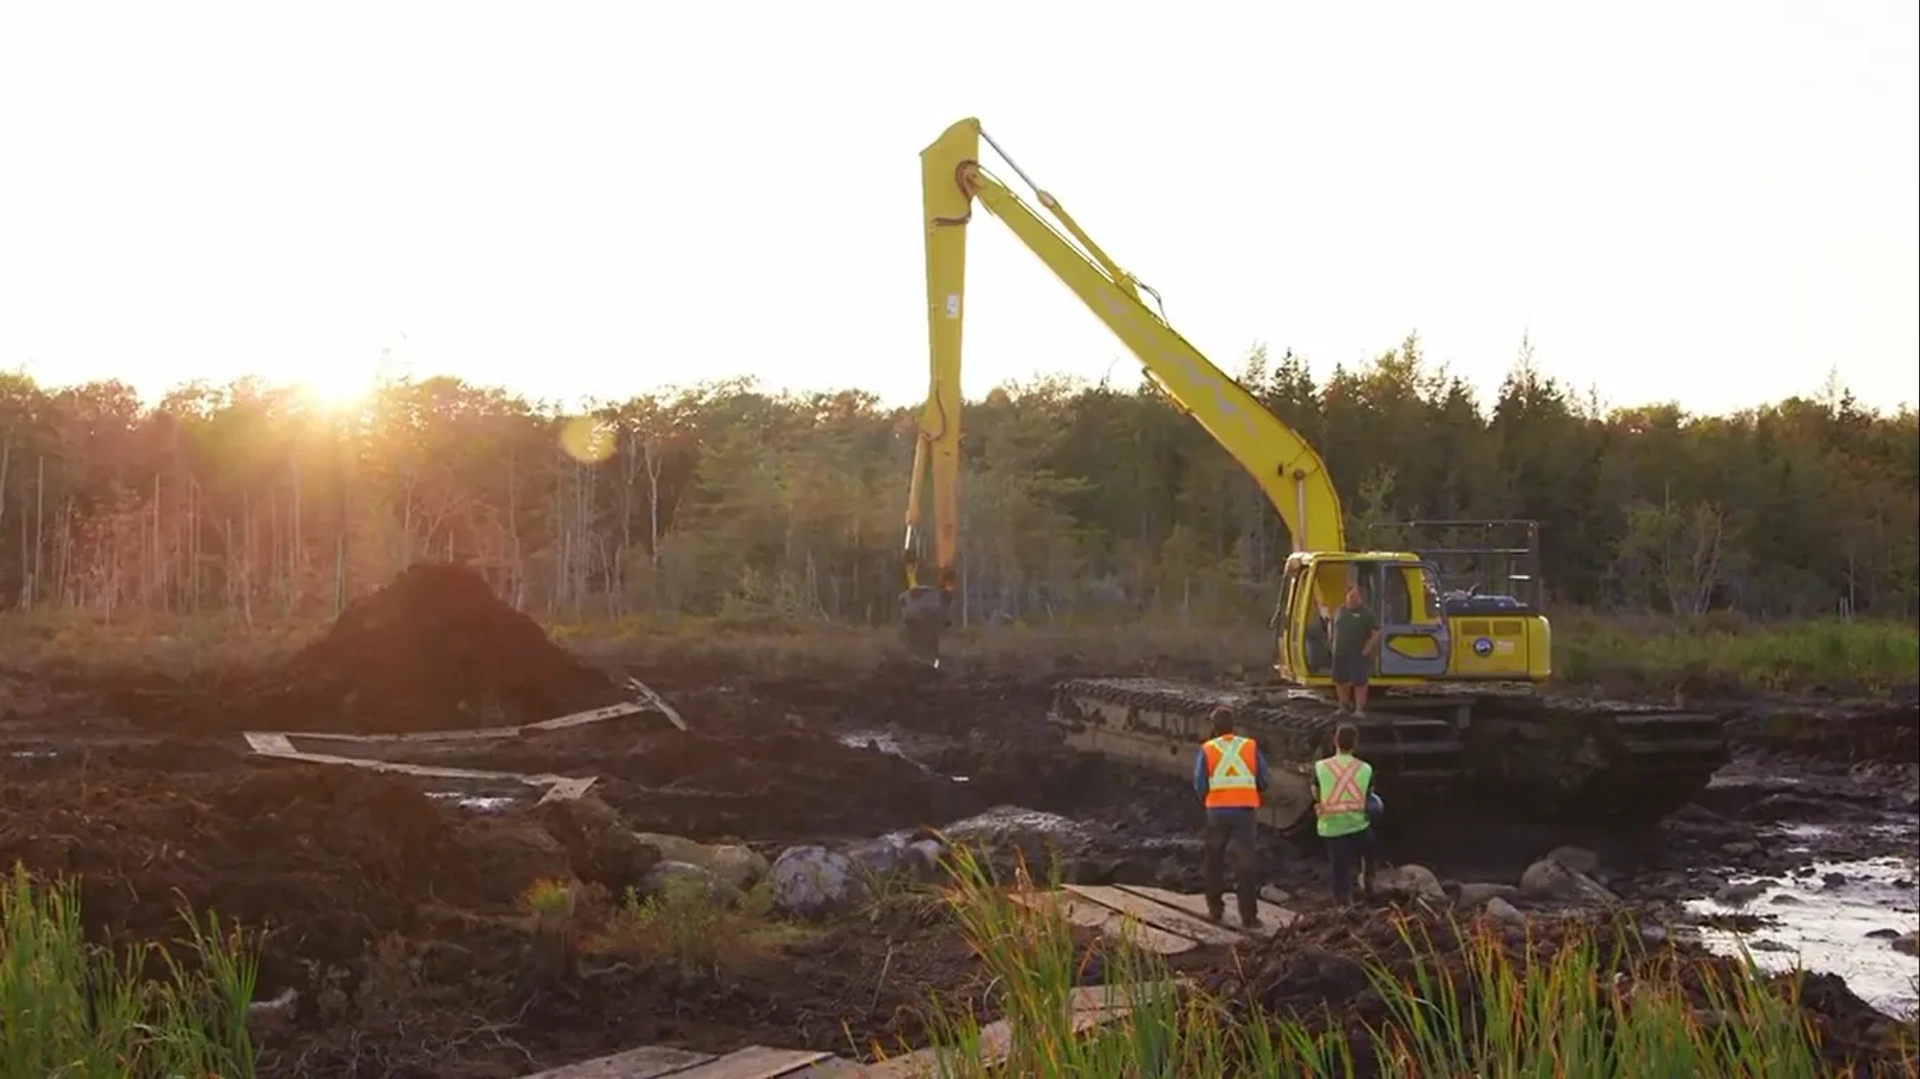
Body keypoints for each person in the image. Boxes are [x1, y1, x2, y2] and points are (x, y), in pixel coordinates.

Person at [1192, 706, 1269, 927]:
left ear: (1214, 728)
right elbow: (1263, 778)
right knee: (1245, 862)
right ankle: (1249, 915)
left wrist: (1209, 801)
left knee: (1214, 860)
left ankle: (1215, 909)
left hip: (1217, 812)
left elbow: (1199, 784)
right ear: (1233, 725)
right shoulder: (1249, 746)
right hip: (1244, 811)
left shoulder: (1207, 749)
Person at [1313, 722, 1377, 905]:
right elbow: (1369, 794)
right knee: (1369, 850)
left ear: (1335, 741)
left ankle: (1342, 904)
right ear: (1355, 743)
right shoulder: (1365, 768)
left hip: (1332, 826)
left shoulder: (1320, 767)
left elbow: (1315, 793)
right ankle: (1368, 883)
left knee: (1338, 868)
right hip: (1358, 824)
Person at [1331, 585, 1381, 716]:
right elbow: (1333, 626)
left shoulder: (1367, 614)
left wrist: (1368, 648)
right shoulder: (1340, 611)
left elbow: (1376, 633)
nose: (1353, 599)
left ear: (1361, 598)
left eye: (1356, 596)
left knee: (1359, 682)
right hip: (1340, 653)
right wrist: (1332, 642)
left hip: (1358, 653)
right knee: (1340, 681)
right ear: (1346, 596)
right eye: (1351, 596)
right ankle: (1343, 707)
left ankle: (1359, 709)